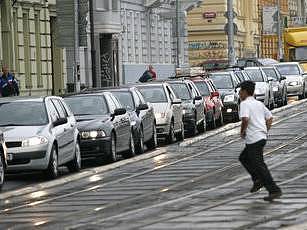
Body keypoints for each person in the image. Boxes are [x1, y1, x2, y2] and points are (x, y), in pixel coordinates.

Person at [239, 80, 282, 202]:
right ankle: (257, 180)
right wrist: (264, 130)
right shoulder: (258, 103)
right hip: (261, 137)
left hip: (254, 139)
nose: (239, 94)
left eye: (240, 91)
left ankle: (274, 190)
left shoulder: (245, 104)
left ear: (245, 92)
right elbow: (269, 117)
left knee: (259, 165)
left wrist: (242, 131)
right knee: (244, 158)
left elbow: (245, 119)